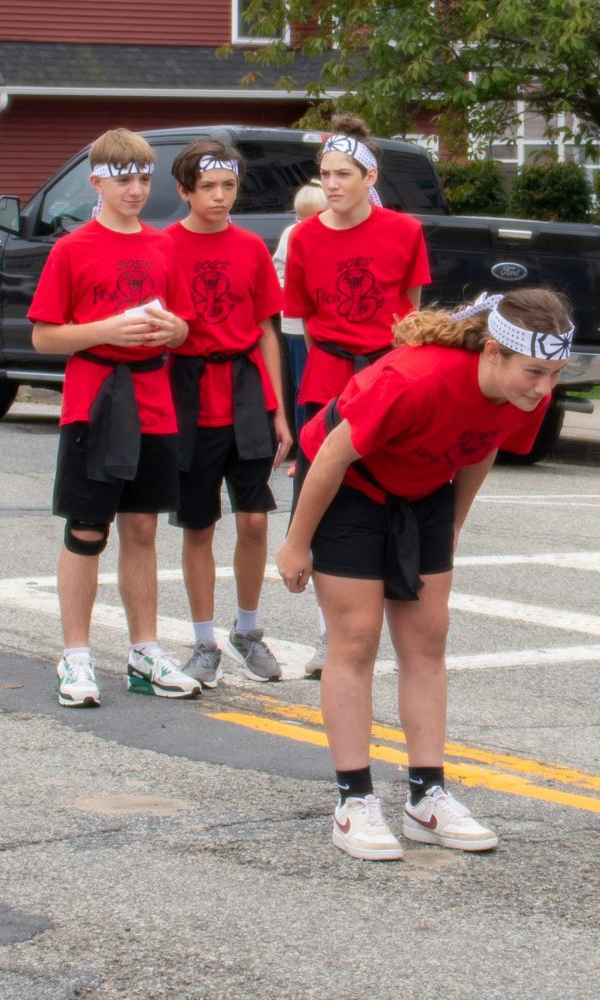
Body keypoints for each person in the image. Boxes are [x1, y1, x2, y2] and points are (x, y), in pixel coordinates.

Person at [276, 288, 572, 861]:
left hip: (426, 486)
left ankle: (426, 796)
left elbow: (484, 445)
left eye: (556, 374)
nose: (544, 389)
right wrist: (296, 543)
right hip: (349, 489)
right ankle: (353, 801)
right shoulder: (416, 379)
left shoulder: (526, 396)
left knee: (427, 639)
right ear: (492, 353)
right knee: (356, 640)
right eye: (535, 372)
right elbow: (333, 455)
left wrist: (454, 525)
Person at [29, 128, 201, 707]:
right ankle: (75, 655)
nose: (136, 188)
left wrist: (175, 330)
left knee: (144, 527)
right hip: (96, 397)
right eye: (123, 178)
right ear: (96, 180)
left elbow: (183, 324)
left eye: (144, 177)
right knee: (86, 528)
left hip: (154, 396)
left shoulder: (164, 244)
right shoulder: (71, 248)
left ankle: (144, 651)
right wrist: (104, 330)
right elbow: (45, 335)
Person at [283, 114, 431, 678]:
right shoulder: (305, 236)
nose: (333, 185)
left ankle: (392, 618)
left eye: (344, 174)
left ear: (370, 177)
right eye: (325, 175)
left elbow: (411, 309)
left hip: (388, 373)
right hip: (327, 377)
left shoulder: (404, 231)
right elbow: (302, 314)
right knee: (323, 500)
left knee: (390, 489)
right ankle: (330, 633)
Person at [165, 139, 291, 689]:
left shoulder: (251, 249)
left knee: (256, 517)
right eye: (209, 187)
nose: (220, 197)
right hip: (189, 392)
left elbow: (268, 330)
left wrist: (280, 412)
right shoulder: (163, 246)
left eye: (229, 186)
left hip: (245, 393)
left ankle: (247, 629)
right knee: (199, 524)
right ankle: (202, 640)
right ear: (185, 190)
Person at [273, 180, 328, 438]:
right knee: (302, 384)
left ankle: (323, 437)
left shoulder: (330, 233)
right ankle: (303, 440)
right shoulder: (290, 234)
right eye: (299, 217)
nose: (304, 222)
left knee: (325, 385)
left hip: (324, 323)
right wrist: (294, 287)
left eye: (313, 216)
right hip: (296, 324)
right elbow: (278, 273)